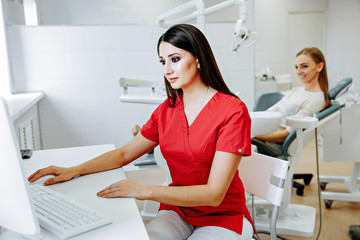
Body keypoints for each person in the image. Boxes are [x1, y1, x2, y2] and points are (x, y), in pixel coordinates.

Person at [28, 24, 255, 240]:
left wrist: (141, 190)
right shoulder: (167, 109)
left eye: (175, 59)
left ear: (198, 59)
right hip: (180, 211)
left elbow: (214, 194)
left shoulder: (232, 110)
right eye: (162, 61)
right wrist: (74, 170)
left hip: (223, 215)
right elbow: (124, 155)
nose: (167, 70)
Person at [252, 47, 329, 156]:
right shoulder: (296, 90)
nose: (298, 72)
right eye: (296, 67)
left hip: (269, 142)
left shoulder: (316, 100)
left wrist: (253, 134)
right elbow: (271, 112)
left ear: (319, 66)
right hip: (262, 129)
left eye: (304, 66)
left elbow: (287, 134)